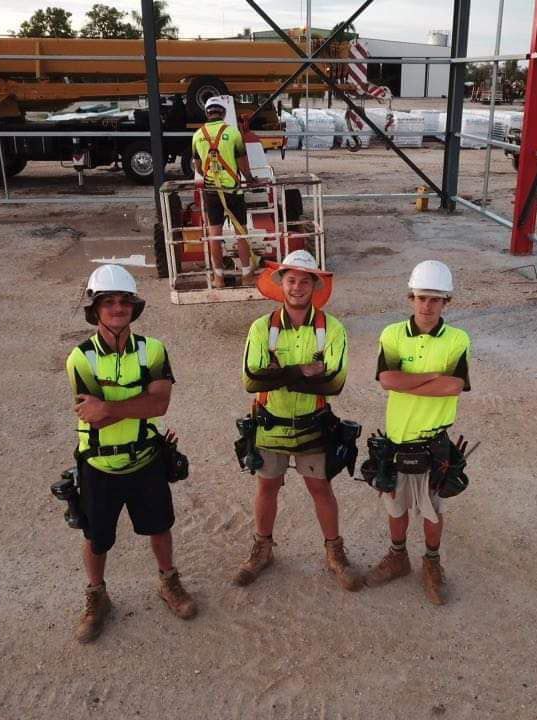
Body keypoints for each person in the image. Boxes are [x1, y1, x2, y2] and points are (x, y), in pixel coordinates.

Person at [65, 264, 196, 643]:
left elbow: (159, 406)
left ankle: (169, 583)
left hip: (145, 460)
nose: (118, 308)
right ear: (95, 309)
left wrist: (111, 407)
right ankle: (96, 596)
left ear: (134, 308)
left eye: (125, 302)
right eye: (109, 302)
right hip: (98, 463)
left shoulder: (153, 349)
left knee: (160, 526)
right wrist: (132, 404)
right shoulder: (80, 358)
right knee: (96, 537)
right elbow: (93, 416)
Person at [235, 249, 362, 591]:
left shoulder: (332, 329)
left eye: (304, 281)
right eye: (291, 280)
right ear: (281, 284)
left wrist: (276, 373)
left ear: (314, 286)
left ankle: (335, 553)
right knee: (267, 486)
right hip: (271, 422)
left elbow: (334, 384)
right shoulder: (261, 327)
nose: (297, 287)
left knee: (321, 487)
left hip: (312, 422)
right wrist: (303, 371)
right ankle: (262, 550)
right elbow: (250, 380)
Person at [365, 260, 472, 605]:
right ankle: (398, 557)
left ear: (446, 303)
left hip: (434, 442)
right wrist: (432, 379)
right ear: (410, 297)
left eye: (435, 300)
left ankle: (431, 562)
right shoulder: (392, 334)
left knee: (431, 510)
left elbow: (454, 386)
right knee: (395, 506)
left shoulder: (458, 340)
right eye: (422, 298)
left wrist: (407, 382)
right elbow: (386, 380)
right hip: (398, 438)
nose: (427, 306)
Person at [191, 95, 255, 289]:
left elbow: (198, 167)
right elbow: (243, 164)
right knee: (241, 234)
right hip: (233, 192)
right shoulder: (233, 133)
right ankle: (246, 276)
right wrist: (250, 179)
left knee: (215, 236)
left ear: (207, 113)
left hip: (212, 192)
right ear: (224, 113)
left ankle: (218, 278)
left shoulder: (197, 135)